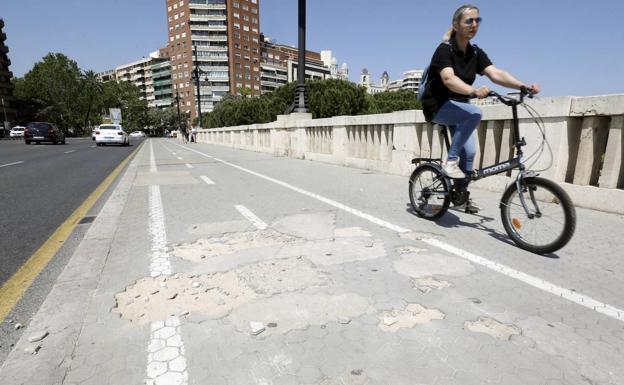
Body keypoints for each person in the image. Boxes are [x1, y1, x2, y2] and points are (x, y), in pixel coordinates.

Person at [421, 4, 539, 212]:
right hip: (438, 106)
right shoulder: (444, 50)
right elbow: (448, 79)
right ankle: (450, 162)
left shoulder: (475, 52)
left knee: (471, 152)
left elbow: (496, 74)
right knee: (475, 112)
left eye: (477, 21)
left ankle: (460, 196)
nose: (474, 25)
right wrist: (473, 91)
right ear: (456, 25)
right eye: (469, 21)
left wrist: (522, 85)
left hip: (459, 108)